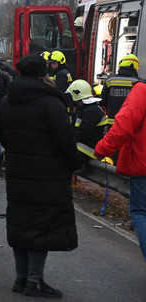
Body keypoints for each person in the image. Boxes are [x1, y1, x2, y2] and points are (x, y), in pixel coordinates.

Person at [0, 55, 79, 298]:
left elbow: (2, 135)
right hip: (47, 174)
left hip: (17, 171)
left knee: (21, 223)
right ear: (44, 74)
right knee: (41, 225)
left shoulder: (7, 100)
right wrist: (74, 164)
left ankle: (21, 278)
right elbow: (64, 139)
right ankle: (35, 281)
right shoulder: (50, 103)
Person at [95, 80, 146, 262]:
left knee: (141, 212)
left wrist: (102, 149)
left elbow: (123, 125)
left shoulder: (142, 91)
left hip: (143, 165)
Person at [66, 79, 107, 162]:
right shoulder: (85, 109)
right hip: (87, 147)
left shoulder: (91, 111)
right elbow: (74, 129)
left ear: (76, 95)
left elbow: (82, 134)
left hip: (90, 151)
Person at [100, 54, 141, 125]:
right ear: (135, 66)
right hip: (131, 125)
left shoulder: (110, 81)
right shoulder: (140, 83)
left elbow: (103, 102)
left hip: (112, 124)